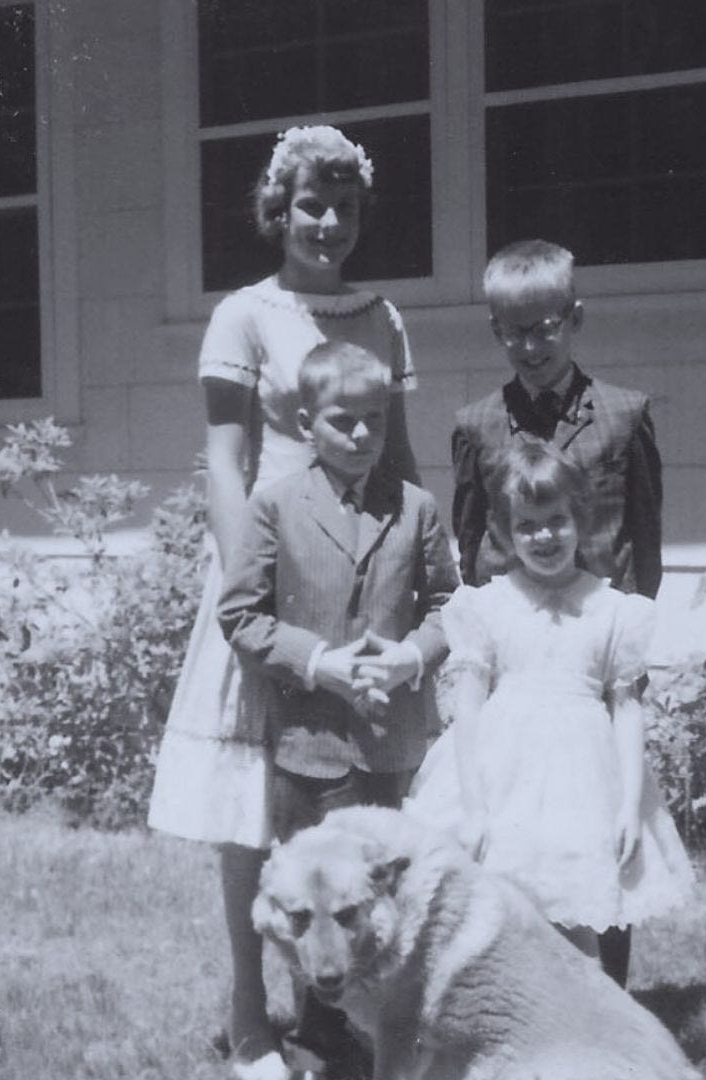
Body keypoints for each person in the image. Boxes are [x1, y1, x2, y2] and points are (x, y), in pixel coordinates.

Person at [146, 126, 421, 1080]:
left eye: (345, 207)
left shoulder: (381, 316)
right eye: (312, 204)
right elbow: (226, 461)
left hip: (366, 573)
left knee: (350, 785)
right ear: (279, 209)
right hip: (266, 572)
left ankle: (340, 1002)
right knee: (255, 802)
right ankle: (249, 1012)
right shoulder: (245, 317)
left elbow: (403, 456)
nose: (330, 224)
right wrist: (244, 585)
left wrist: (420, 571)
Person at [218, 339, 459, 1080]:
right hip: (310, 744)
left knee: (385, 893)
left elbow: (452, 605)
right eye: (343, 421)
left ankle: (387, 1028)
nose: (361, 436)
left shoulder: (415, 507)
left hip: (392, 746)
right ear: (304, 422)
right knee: (314, 895)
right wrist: (319, 663)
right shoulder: (276, 506)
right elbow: (241, 614)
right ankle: (323, 1037)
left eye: (376, 422)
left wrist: (413, 655)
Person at [449, 238, 663, 985]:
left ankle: (610, 1003)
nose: (532, 345)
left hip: (591, 654)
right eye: (514, 330)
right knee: (510, 849)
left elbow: (644, 544)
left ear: (575, 319)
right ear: (494, 331)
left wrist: (625, 664)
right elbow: (470, 543)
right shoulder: (478, 424)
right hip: (514, 665)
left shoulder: (625, 416)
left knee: (601, 838)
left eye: (547, 327)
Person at [405, 441, 693, 969]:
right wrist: (473, 806)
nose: (544, 536)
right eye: (528, 524)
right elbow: (467, 711)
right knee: (502, 912)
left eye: (556, 520)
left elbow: (626, 710)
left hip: (583, 782)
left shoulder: (612, 611)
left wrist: (628, 804)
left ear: (580, 518)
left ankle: (591, 1026)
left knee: (576, 914)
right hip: (503, 777)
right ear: (505, 530)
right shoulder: (488, 606)